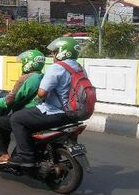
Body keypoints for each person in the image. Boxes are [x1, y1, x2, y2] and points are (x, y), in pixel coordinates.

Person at [9, 37, 83, 167]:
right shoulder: (79, 68)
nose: (53, 55)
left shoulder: (57, 68)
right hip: (75, 113)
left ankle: (26, 156)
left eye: (55, 52)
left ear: (63, 52)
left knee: (16, 118)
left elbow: (42, 93)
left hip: (56, 112)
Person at [0, 49, 46, 165]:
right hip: (40, 113)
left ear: (28, 63)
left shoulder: (26, 78)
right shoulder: (42, 76)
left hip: (26, 113)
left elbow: (11, 99)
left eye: (24, 62)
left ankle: (2, 155)